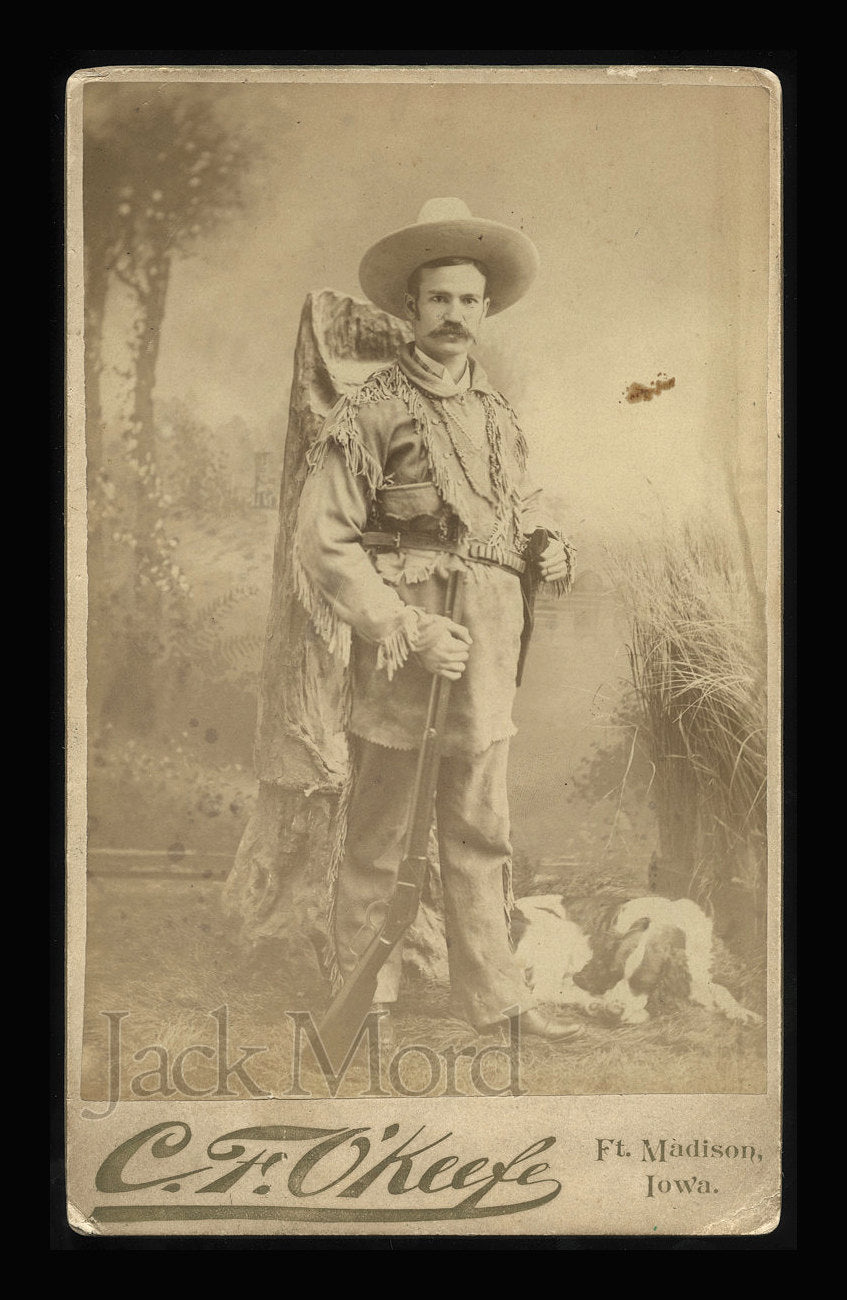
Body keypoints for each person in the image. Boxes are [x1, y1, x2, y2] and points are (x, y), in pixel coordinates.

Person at [293, 198, 580, 1040]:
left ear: (484, 311)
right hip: (407, 648)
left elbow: (522, 513)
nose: (453, 315)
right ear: (408, 311)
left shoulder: (498, 415)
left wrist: (552, 548)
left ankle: (494, 999)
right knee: (381, 831)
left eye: (467, 300)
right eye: (437, 300)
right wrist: (402, 627)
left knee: (479, 828)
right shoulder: (371, 408)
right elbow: (326, 542)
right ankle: (361, 1005)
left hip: (488, 647)